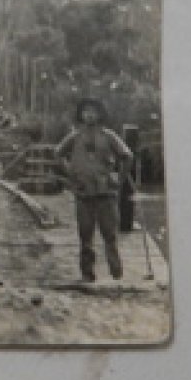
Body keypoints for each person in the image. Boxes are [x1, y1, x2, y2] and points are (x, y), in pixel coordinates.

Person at [54, 98, 134, 283]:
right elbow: (57, 154)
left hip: (106, 193)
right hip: (83, 194)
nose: (89, 115)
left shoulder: (109, 136)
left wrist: (118, 178)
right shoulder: (74, 137)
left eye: (93, 111)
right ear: (81, 115)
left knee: (110, 235)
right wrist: (70, 173)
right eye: (86, 111)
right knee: (85, 235)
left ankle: (116, 273)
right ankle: (87, 273)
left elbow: (127, 156)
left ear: (99, 115)